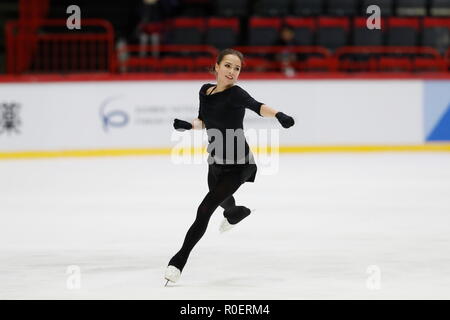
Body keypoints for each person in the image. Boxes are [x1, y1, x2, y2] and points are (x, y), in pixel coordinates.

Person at [165, 48, 295, 285]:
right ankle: (235, 214)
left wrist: (278, 115)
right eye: (228, 66)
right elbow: (204, 120)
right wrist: (188, 124)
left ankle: (178, 261)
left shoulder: (236, 94)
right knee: (225, 203)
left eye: (237, 68)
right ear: (216, 66)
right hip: (215, 161)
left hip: (239, 164)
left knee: (205, 208)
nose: (232, 71)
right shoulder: (205, 90)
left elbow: (257, 106)